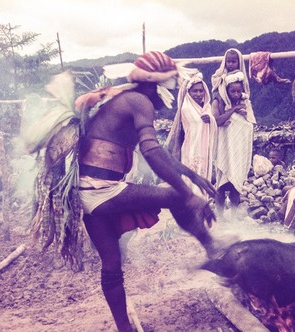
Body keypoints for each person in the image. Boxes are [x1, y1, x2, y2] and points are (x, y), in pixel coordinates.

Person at [75, 51, 220, 332]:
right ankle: (214, 252)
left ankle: (124, 329)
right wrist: (188, 194)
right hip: (103, 190)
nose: (172, 93)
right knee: (176, 195)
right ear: (158, 85)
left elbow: (159, 152)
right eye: (172, 86)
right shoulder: (140, 100)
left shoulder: (121, 98)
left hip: (86, 193)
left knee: (112, 265)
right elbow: (151, 152)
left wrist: (189, 174)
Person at [165, 72, 217, 197]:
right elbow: (197, 124)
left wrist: (211, 119)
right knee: (192, 178)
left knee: (203, 176)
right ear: (188, 92)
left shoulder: (206, 107)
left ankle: (201, 202)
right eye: (195, 91)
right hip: (191, 150)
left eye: (201, 91)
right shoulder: (186, 108)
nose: (199, 94)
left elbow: (211, 124)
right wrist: (209, 119)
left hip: (204, 150)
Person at [211, 70, 255, 214]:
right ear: (227, 90)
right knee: (221, 187)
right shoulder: (219, 102)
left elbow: (250, 124)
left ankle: (235, 219)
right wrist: (234, 109)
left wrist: (242, 114)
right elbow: (217, 121)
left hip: (238, 152)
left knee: (236, 186)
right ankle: (220, 217)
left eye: (238, 91)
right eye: (232, 91)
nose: (236, 94)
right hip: (224, 149)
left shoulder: (245, 102)